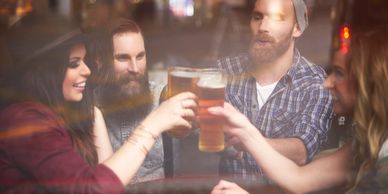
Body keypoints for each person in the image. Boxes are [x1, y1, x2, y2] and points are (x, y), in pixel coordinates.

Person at [0, 15, 197, 193]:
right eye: (74, 63)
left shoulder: (74, 111)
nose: (86, 71)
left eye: (84, 61)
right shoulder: (24, 120)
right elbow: (91, 189)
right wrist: (151, 127)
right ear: (46, 72)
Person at [210, 27, 388, 193]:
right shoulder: (366, 142)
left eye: (339, 73)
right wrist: (246, 132)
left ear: (370, 84)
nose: (327, 83)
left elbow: (299, 167)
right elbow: (300, 179)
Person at [216, 0, 332, 179]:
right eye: (257, 17)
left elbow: (302, 150)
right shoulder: (225, 71)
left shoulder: (314, 82)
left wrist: (247, 140)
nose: (262, 26)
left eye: (277, 18)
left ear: (297, 28)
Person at [88, 18, 169, 183]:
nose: (134, 68)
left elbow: (228, 144)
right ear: (100, 61)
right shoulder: (87, 109)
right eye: (123, 58)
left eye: (140, 56)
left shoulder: (163, 98)